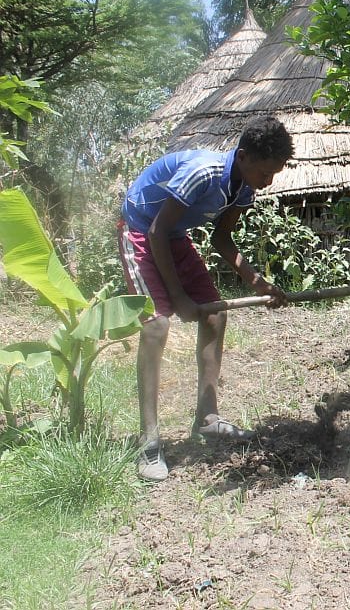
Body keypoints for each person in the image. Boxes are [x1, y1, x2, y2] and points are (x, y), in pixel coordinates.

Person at [118, 115, 294, 481]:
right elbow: (156, 230)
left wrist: (256, 280)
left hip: (173, 236)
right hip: (140, 230)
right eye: (266, 172)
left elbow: (221, 239)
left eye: (274, 173)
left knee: (215, 315)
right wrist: (179, 298)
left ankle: (208, 419)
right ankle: (148, 440)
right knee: (156, 326)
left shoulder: (243, 188)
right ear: (243, 156)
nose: (268, 181)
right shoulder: (203, 172)